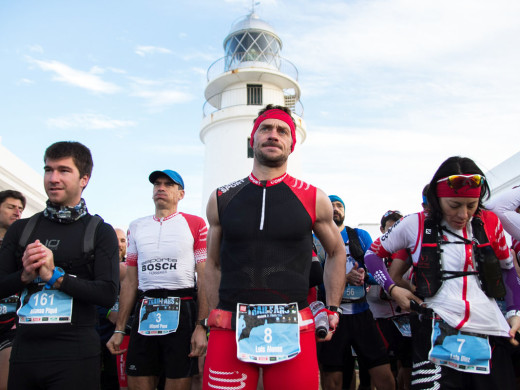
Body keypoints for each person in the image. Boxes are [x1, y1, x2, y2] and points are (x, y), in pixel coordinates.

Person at [202, 104, 346, 390]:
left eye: (282, 130)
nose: (273, 135)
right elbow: (213, 263)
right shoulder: (221, 198)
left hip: (293, 326)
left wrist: (332, 308)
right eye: (266, 128)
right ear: (252, 139)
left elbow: (336, 251)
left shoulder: (314, 197)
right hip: (230, 326)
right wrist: (211, 314)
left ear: (291, 144)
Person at [365, 156, 520, 389]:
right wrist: (393, 289)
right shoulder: (414, 224)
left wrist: (514, 312)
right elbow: (371, 255)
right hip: (434, 329)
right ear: (437, 199)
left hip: (489, 330)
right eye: (454, 205)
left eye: (471, 205)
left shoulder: (490, 222)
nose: (463, 214)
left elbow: (508, 269)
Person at [0, 141, 119, 390]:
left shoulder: (99, 231)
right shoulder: (22, 229)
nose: (53, 178)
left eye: (64, 170)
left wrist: (55, 277)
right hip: (25, 352)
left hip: (75, 354)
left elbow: (107, 294)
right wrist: (24, 276)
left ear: (84, 179)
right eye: (48, 170)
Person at [107, 169, 208, 390]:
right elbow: (130, 282)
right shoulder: (136, 226)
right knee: (137, 380)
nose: (161, 188)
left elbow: (205, 277)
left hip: (182, 306)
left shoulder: (196, 223)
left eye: (168, 185)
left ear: (181, 194)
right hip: (146, 308)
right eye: (157, 184)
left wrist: (201, 326)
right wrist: (119, 329)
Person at [314, 195, 394, 390]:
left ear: (345, 211)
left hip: (362, 314)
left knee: (384, 375)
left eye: (339, 205)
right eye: (331, 205)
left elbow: (377, 272)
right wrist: (342, 278)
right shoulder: (315, 239)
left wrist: (363, 276)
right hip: (332, 316)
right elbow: (316, 282)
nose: (335, 209)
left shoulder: (359, 235)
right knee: (333, 380)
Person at [366, 210, 412, 390]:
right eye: (390, 228)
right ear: (382, 229)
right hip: (380, 317)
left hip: (406, 316)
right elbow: (366, 274)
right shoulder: (375, 251)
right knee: (382, 364)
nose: (394, 231)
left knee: (407, 364)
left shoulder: (409, 250)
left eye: (397, 227)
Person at [0, 190, 25, 390]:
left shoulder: (24, 247)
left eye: (20, 209)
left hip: (11, 328)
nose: (17, 212)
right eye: (11, 207)